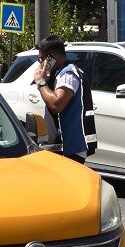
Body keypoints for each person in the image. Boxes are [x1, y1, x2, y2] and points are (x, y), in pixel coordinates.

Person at [33, 35, 88, 163]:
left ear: (51, 57)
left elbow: (56, 105)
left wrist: (41, 83)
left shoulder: (69, 74)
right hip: (61, 147)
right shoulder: (57, 74)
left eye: (42, 59)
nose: (41, 63)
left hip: (71, 149)